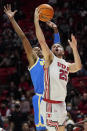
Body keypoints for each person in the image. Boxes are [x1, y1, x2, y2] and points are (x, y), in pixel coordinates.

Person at [4, 4, 60, 131]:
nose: (37, 49)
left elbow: (57, 49)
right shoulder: (34, 61)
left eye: (38, 48)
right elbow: (23, 38)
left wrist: (56, 31)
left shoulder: (48, 60)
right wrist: (12, 20)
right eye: (34, 50)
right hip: (41, 97)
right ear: (31, 55)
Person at [34, 8, 82, 131]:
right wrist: (36, 21)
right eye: (54, 46)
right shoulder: (50, 59)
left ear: (63, 51)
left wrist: (75, 49)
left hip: (61, 104)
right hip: (49, 103)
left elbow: (78, 66)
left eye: (58, 46)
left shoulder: (66, 64)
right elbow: (41, 41)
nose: (56, 46)